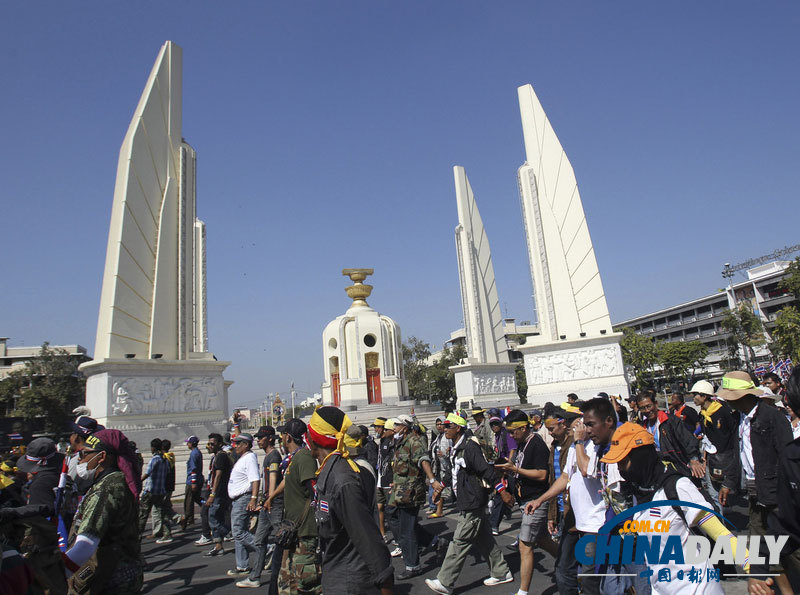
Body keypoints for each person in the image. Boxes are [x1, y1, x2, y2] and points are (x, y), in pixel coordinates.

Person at [525, 398, 618, 595]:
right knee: (563, 569)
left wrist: (579, 441)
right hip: (574, 519)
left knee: (590, 578)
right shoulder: (576, 446)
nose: (568, 425)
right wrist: (540, 500)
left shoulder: (598, 445)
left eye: (572, 420)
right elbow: (565, 477)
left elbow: (585, 470)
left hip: (595, 523)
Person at [717, 370, 793, 593]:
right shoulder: (739, 420)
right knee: (762, 546)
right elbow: (737, 455)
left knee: (788, 546)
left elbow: (787, 456)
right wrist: (728, 482)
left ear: (742, 396)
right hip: (754, 492)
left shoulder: (772, 417)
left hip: (777, 493)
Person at [307, 407, 394, 595]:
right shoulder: (329, 473)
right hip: (336, 577)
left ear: (314, 439)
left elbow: (367, 537)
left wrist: (385, 582)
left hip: (351, 583)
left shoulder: (342, 481)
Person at [424, 413, 512, 594]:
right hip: (467, 499)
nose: (444, 429)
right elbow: (452, 473)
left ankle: (445, 582)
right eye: (444, 426)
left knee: (460, 541)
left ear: (458, 428)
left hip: (473, 500)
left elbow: (486, 471)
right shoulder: (456, 448)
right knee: (484, 538)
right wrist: (440, 488)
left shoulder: (470, 447)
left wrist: (502, 491)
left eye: (448, 426)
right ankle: (501, 572)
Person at [62, 429, 143, 593]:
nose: (80, 459)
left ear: (102, 457)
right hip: (124, 574)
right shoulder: (116, 481)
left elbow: (86, 545)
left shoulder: (107, 489)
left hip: (110, 580)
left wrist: (55, 575)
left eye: (84, 453)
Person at [494, 410, 554, 595]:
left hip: (536, 499)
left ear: (524, 428)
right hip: (525, 499)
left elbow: (542, 474)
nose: (511, 436)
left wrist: (515, 469)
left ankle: (523, 591)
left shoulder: (536, 444)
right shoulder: (522, 444)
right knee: (542, 540)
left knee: (525, 545)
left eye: (513, 432)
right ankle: (570, 562)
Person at [265, 418, 321, 595]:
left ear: (288, 437)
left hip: (304, 531)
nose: (281, 438)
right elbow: (287, 480)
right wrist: (272, 496)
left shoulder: (304, 457)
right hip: (292, 531)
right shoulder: (295, 458)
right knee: (287, 582)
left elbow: (314, 489)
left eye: (283, 434)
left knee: (305, 582)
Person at [390, 414, 444, 580]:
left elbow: (423, 460)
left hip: (410, 491)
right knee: (400, 522)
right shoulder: (400, 442)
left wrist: (432, 480)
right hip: (399, 489)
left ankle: (413, 566)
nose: (394, 428)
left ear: (405, 427)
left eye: (397, 425)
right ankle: (435, 541)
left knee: (406, 530)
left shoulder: (415, 442)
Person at [15, 437, 67, 594]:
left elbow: (39, 523)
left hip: (49, 550)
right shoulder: (61, 478)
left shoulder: (40, 485)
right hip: (68, 541)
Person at [237, 426, 282, 588]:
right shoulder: (268, 456)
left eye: (261, 437)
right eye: (257, 437)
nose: (258, 440)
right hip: (267, 504)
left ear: (270, 439)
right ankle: (255, 577)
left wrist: (269, 499)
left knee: (283, 538)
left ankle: (287, 572)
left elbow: (273, 478)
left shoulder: (274, 456)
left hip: (274, 505)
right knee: (259, 540)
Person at [543, 403, 580, 595]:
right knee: (570, 565)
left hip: (577, 513)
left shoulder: (576, 445)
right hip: (563, 511)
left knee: (565, 568)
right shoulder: (554, 447)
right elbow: (553, 481)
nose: (549, 433)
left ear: (563, 424)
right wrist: (552, 515)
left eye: (552, 428)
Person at [690, 379, 738, 513]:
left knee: (723, 491)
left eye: (695, 395)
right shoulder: (703, 414)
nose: (693, 398)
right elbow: (707, 439)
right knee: (713, 495)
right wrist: (705, 458)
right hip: (711, 459)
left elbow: (731, 436)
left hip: (726, 458)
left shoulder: (722, 412)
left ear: (704, 396)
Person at [637, 391, 705, 480]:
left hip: (679, 467)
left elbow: (688, 440)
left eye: (649, 406)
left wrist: (694, 460)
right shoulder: (642, 427)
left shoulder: (670, 421)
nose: (647, 410)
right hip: (658, 471)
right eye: (642, 408)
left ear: (656, 404)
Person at [225, 433, 261, 577]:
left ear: (246, 445)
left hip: (243, 498)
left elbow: (255, 479)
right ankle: (242, 565)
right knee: (240, 531)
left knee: (238, 532)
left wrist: (253, 498)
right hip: (237, 499)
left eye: (238, 443)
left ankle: (266, 548)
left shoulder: (249, 458)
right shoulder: (243, 458)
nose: (235, 446)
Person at [202, 432, 232, 558]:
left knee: (212, 517)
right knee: (215, 517)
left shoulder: (221, 456)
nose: (209, 446)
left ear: (220, 444)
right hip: (216, 492)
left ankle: (229, 532)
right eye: (208, 444)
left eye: (212, 444)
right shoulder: (216, 457)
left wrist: (213, 494)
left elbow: (218, 476)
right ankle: (219, 545)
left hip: (219, 493)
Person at [138, 438, 172, 543]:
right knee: (162, 513)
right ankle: (167, 534)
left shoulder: (154, 459)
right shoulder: (165, 460)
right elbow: (167, 473)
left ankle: (137, 536)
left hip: (150, 490)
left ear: (153, 448)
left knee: (143, 515)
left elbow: (147, 473)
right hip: (160, 491)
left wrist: (138, 481)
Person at [375, 418, 397, 547]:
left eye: (378, 427)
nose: (376, 429)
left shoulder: (391, 443)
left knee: (391, 511)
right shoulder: (381, 441)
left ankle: (398, 538)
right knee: (380, 508)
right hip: (380, 480)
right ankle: (382, 534)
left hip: (388, 481)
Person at [181, 435, 204, 529]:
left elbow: (193, 469)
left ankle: (189, 519)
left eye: (188, 442)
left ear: (192, 443)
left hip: (192, 481)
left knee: (189, 501)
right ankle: (205, 504)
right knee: (197, 498)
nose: (187, 444)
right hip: (198, 479)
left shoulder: (194, 454)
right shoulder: (197, 452)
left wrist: (193, 482)